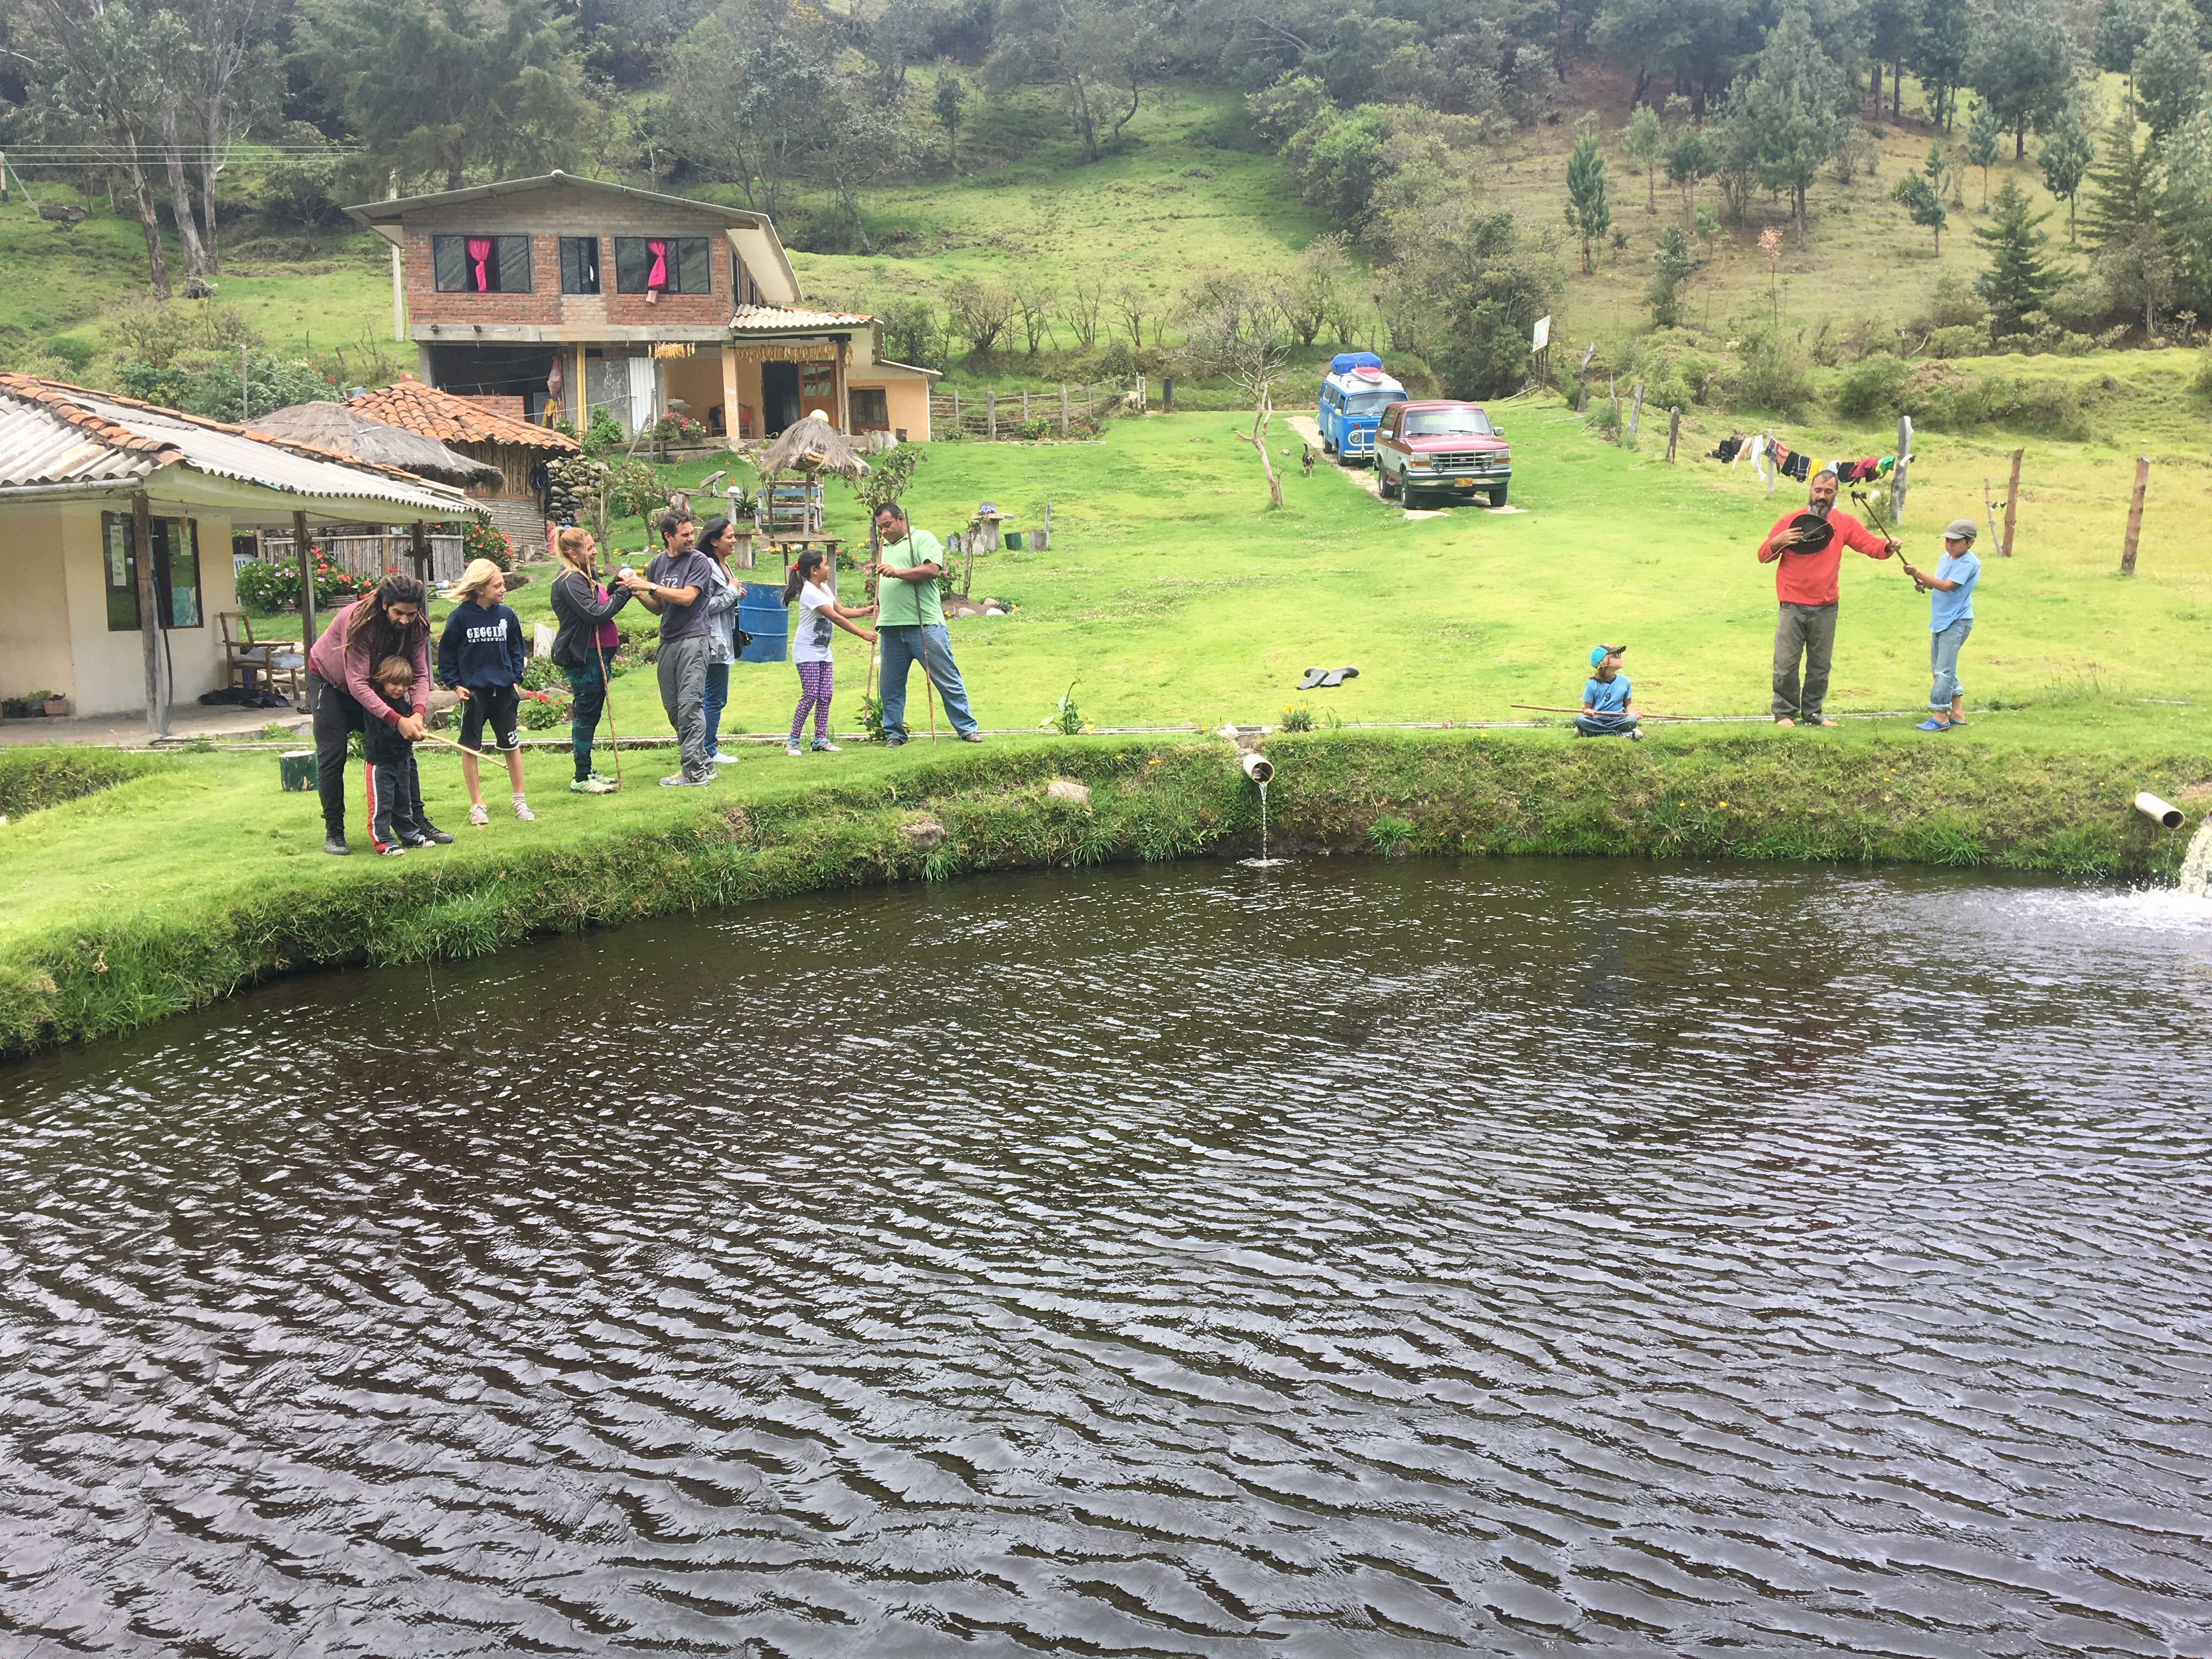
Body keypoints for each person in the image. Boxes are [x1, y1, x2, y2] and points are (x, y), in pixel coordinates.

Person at [306, 572, 451, 856]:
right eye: (399, 613)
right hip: (332, 683)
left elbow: (420, 674)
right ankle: (335, 832)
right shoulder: (359, 622)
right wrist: (397, 720)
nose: (405, 620)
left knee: (401, 748)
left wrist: (417, 714)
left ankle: (416, 824)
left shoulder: (417, 627)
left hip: (375, 684)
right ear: (385, 605)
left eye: (411, 614)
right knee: (333, 756)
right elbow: (356, 682)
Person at [1756, 466, 1900, 727]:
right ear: (1811, 491)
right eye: (1818, 490)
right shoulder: (1789, 521)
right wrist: (1778, 542)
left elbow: (1870, 545)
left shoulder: (1844, 523)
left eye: (1829, 492)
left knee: (1820, 665)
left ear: (1836, 494)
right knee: (1786, 664)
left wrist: (1888, 547)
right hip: (1792, 605)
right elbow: (1763, 556)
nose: (1822, 496)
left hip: (1826, 606)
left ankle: (1813, 712)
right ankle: (1784, 713)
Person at [864, 501, 983, 746]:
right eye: (880, 528)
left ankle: (967, 729)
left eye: (887, 525)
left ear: (901, 519)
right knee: (890, 686)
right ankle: (894, 734)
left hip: (924, 624)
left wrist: (897, 572)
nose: (884, 531)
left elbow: (932, 570)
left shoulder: (922, 539)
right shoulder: (884, 547)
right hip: (891, 628)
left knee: (947, 679)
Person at [619, 510, 717, 786]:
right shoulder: (657, 564)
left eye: (691, 533)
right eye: (685, 534)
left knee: (690, 705)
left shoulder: (699, 561)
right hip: (668, 641)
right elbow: (659, 608)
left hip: (694, 638)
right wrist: (638, 593)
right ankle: (704, 762)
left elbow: (687, 597)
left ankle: (694, 773)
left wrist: (650, 585)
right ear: (668, 537)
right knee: (674, 708)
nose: (691, 538)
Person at [437, 557, 534, 825]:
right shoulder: (460, 618)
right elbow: (446, 655)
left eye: (503, 584)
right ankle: (477, 805)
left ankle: (520, 800)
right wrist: (455, 684)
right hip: (474, 694)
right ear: (481, 588)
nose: (504, 589)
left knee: (511, 744)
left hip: (503, 692)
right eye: (497, 585)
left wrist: (516, 680)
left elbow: (517, 649)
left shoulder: (507, 615)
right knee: (470, 747)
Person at [548, 526, 630, 794]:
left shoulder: (585, 575)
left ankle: (587, 769)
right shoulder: (569, 580)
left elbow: (600, 601)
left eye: (594, 546)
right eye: (589, 547)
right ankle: (581, 777)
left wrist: (616, 585)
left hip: (598, 654)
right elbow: (594, 614)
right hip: (583, 656)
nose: (594, 552)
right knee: (585, 714)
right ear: (572, 553)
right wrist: (624, 593)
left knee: (592, 713)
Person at [782, 547, 876, 757]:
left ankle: (820, 740)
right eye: (825, 564)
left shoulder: (823, 588)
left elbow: (841, 610)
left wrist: (865, 611)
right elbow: (836, 618)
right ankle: (793, 741)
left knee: (825, 695)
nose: (829, 568)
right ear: (814, 570)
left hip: (823, 652)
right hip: (807, 652)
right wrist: (862, 634)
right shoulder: (810, 593)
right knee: (810, 695)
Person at [1901, 519, 1981, 732]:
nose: (1950, 545)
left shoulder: (1969, 563)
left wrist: (1918, 574)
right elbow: (1938, 583)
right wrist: (1924, 584)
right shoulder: (1944, 559)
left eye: (1956, 542)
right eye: (1947, 541)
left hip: (1957, 621)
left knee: (1944, 670)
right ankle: (1957, 713)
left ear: (1970, 542)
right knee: (1940, 668)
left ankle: (1941, 715)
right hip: (1940, 620)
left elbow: (1947, 586)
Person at [363, 655, 428, 856]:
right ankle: (383, 842)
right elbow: (382, 732)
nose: (400, 689)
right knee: (382, 805)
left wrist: (416, 734)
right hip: (380, 764)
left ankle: (410, 835)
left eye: (405, 685)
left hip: (402, 761)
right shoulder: (375, 704)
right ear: (383, 680)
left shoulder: (404, 704)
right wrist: (403, 731)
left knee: (403, 803)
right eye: (395, 684)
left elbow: (408, 731)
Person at [696, 515, 744, 766]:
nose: (734, 541)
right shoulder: (707, 566)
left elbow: (725, 594)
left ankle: (706, 748)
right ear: (714, 541)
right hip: (714, 641)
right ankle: (707, 750)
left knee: (714, 697)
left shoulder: (723, 564)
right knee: (714, 697)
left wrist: (736, 593)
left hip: (724, 637)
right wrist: (733, 591)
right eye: (729, 537)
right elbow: (704, 605)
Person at [1575, 644, 1643, 740]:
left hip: (1618, 719)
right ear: (1603, 662)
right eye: (1616, 655)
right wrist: (1587, 712)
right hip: (1597, 719)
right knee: (1580, 719)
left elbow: (1628, 704)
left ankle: (1592, 733)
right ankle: (1620, 734)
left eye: (1620, 655)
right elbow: (1587, 708)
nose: (1620, 658)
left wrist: (1632, 712)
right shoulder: (1591, 684)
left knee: (1631, 720)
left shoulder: (1625, 681)